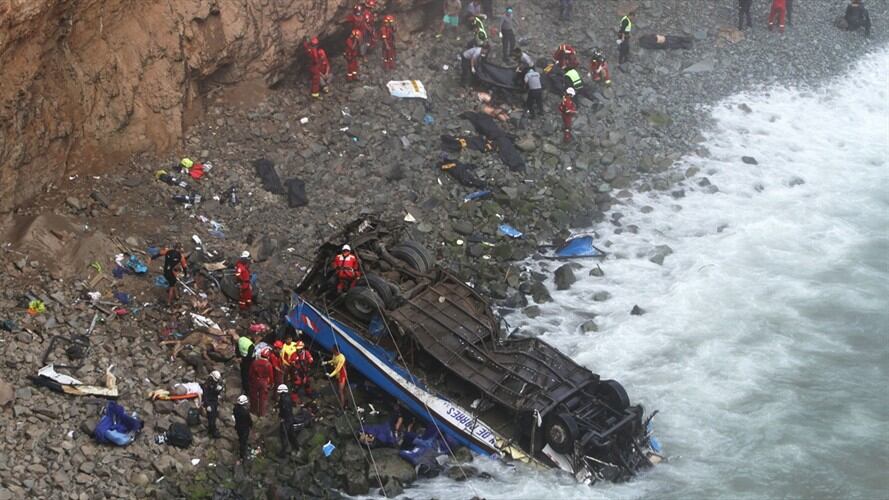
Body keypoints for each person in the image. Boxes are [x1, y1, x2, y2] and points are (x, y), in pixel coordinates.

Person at [157, 243, 188, 308]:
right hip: (171, 273)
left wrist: (151, 258)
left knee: (174, 283)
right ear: (179, 249)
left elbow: (159, 254)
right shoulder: (180, 256)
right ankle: (168, 302)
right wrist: (185, 274)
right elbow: (184, 267)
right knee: (171, 287)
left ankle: (176, 296)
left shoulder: (168, 251)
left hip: (166, 271)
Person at [248, 348, 274, 416]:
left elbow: (250, 373)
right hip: (264, 382)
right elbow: (271, 375)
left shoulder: (255, 362)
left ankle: (253, 411)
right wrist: (271, 383)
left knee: (254, 396)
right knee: (263, 398)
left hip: (255, 381)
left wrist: (251, 380)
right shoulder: (268, 364)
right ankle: (261, 413)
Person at [276, 384, 299, 457]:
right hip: (290, 418)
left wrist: (282, 417)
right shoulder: (288, 397)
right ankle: (296, 447)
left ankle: (284, 452)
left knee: (284, 435)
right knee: (291, 434)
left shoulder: (283, 399)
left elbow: (284, 409)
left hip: (286, 420)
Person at [201, 370, 224, 438]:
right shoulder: (206, 385)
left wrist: (218, 390)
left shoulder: (215, 383)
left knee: (214, 416)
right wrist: (207, 405)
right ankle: (213, 431)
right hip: (209, 402)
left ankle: (211, 429)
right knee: (211, 417)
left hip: (214, 401)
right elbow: (205, 396)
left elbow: (215, 393)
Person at [234, 395, 252, 463]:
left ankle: (242, 451)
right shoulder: (245, 412)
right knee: (243, 441)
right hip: (244, 428)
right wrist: (251, 425)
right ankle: (242, 455)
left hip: (238, 426)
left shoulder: (235, 409)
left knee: (240, 438)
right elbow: (249, 420)